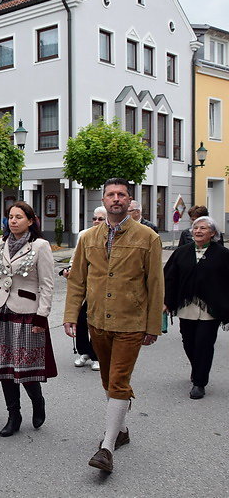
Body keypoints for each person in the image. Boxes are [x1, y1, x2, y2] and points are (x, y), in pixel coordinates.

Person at [63, 178, 163, 474]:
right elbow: (78, 280)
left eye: (121, 194)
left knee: (118, 381)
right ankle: (120, 429)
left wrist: (153, 326)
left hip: (131, 322)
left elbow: (156, 285)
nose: (116, 199)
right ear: (104, 200)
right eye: (110, 195)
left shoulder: (147, 237)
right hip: (97, 321)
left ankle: (106, 448)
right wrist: (70, 316)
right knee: (108, 380)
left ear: (129, 200)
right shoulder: (89, 237)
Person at [0, 201, 56, 437]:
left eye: (19, 217)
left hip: (26, 312)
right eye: (10, 217)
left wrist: (41, 316)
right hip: (0, 310)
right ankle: (14, 415)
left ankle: (37, 400)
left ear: (31, 221)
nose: (13, 221)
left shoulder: (40, 246)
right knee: (4, 367)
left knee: (24, 367)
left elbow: (47, 284)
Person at [164, 216, 229, 399]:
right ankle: (197, 367)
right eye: (195, 228)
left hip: (211, 308)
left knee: (204, 343)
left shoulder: (223, 254)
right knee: (189, 341)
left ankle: (199, 382)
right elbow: (170, 278)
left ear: (213, 233)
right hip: (187, 306)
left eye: (203, 228)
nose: (198, 231)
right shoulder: (182, 252)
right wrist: (167, 301)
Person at [62, 206, 108, 372]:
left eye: (100, 219)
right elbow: (76, 258)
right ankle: (84, 352)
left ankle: (96, 355)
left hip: (102, 288)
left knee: (96, 322)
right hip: (86, 286)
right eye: (94, 218)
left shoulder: (110, 236)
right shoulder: (84, 235)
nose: (96, 222)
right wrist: (69, 270)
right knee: (81, 319)